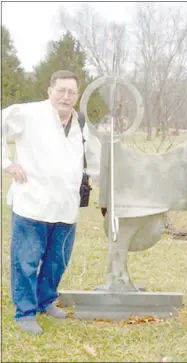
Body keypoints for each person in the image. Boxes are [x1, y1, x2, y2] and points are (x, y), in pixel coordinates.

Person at [2, 70, 101, 335]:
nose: (66, 97)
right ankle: (25, 312)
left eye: (71, 92)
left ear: (77, 96)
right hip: (33, 203)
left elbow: (94, 160)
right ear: (50, 91)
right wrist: (6, 163)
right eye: (61, 90)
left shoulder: (81, 122)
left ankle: (46, 301)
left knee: (57, 260)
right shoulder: (29, 114)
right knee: (26, 260)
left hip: (66, 207)